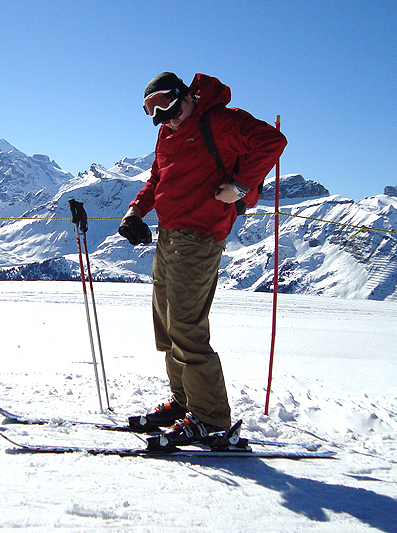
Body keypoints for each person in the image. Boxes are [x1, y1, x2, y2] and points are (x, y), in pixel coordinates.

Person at [118, 72, 287, 450]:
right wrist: (135, 212)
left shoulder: (220, 121)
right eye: (157, 115)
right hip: (169, 236)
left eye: (171, 108)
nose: (167, 119)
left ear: (185, 95)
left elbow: (272, 142)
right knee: (167, 327)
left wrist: (241, 187)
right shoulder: (168, 133)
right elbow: (158, 178)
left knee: (187, 328)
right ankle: (185, 403)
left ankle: (210, 419)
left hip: (201, 237)